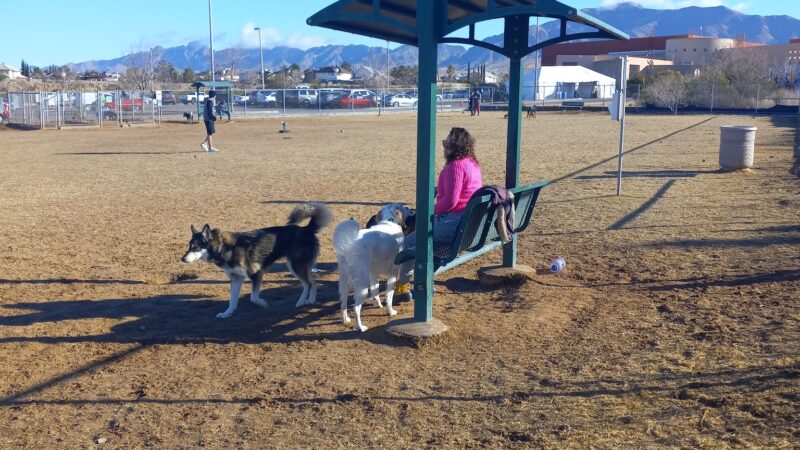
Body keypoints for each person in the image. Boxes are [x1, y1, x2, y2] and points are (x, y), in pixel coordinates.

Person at [395, 127, 484, 300]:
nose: (444, 146)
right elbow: (463, 191)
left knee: (406, 245)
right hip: (467, 224)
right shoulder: (471, 163)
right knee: (422, 245)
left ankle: (402, 289)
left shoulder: (455, 166)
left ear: (454, 146)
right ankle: (425, 282)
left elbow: (450, 202)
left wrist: (425, 213)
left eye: (447, 142)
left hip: (453, 222)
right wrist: (439, 189)